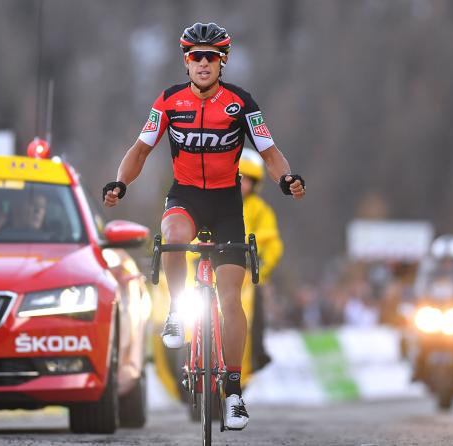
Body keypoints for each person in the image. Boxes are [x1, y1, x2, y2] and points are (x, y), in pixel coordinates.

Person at [103, 22, 305, 430]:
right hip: (186, 196)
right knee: (174, 237)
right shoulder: (167, 101)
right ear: (186, 60)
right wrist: (121, 182)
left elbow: (270, 150)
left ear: (222, 62)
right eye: (195, 56)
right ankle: (178, 310)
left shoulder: (241, 103)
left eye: (211, 56)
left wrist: (286, 178)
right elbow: (141, 149)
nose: (202, 63)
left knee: (231, 297)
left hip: (227, 204)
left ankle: (233, 391)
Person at [237, 149, 284, 371]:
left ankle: (257, 351)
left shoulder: (261, 210)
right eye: (239, 178)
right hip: (209, 271)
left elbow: (273, 243)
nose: (243, 185)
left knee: (257, 300)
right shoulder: (213, 202)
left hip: (246, 273)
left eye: (248, 180)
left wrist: (262, 265)